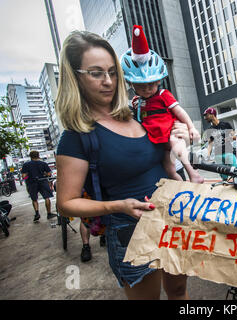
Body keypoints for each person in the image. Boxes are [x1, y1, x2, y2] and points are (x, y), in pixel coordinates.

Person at [54, 30, 191, 299]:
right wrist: (118, 206)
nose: (108, 81)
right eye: (96, 73)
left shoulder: (139, 112)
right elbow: (66, 202)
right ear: (75, 77)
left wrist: (179, 137)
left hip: (172, 218)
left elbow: (163, 157)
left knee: (178, 291)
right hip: (130, 231)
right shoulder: (75, 137)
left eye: (112, 72)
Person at [121, 25, 203, 184]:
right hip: (158, 143)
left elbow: (180, 112)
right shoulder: (136, 103)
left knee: (178, 149)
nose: (146, 89)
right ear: (132, 84)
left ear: (159, 80)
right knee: (169, 169)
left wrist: (191, 127)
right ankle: (181, 185)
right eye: (141, 86)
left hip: (170, 134)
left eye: (151, 85)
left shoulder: (163, 95)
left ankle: (194, 175)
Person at [203, 107, 237, 180]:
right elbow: (210, 144)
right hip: (218, 155)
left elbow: (234, 137)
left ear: (212, 114)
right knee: (224, 178)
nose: (205, 118)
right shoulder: (209, 130)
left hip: (228, 152)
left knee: (236, 173)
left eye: (206, 115)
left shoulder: (225, 124)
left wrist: (227, 138)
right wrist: (208, 156)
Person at [21, 151, 57, 222]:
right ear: (38, 156)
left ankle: (37, 213)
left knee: (34, 199)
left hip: (31, 183)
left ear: (30, 156)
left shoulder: (26, 165)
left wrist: (28, 175)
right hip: (43, 181)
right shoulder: (43, 163)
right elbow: (49, 174)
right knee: (46, 197)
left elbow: (23, 176)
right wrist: (45, 174)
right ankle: (49, 213)